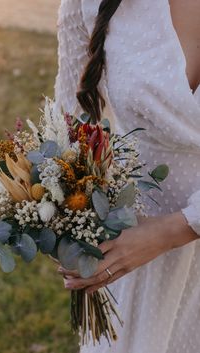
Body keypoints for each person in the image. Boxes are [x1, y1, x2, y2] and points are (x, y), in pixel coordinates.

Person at [54, 1, 200, 352]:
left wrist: (176, 229)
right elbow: (69, 127)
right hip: (132, 247)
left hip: (147, 242)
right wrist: (63, 216)